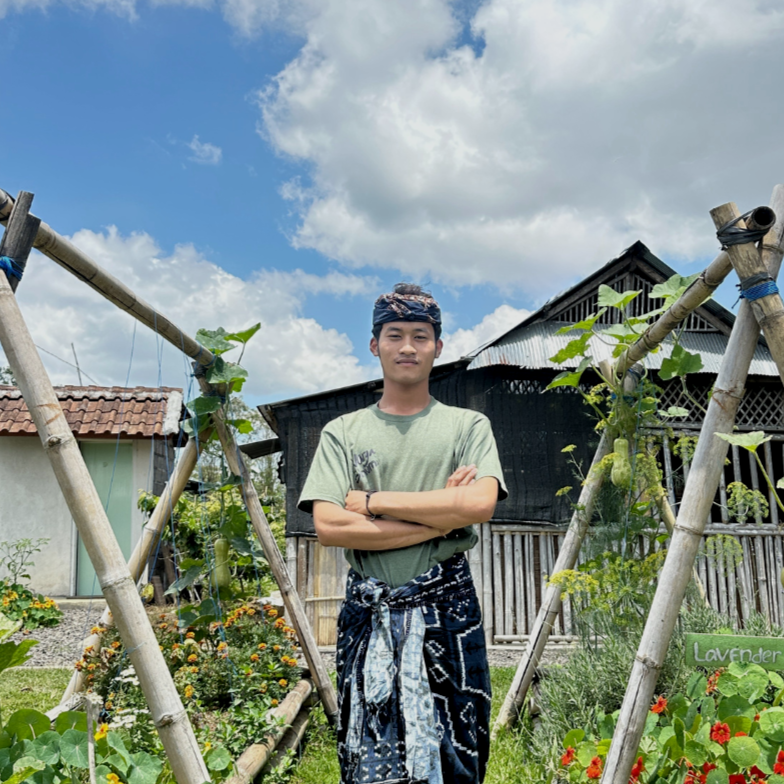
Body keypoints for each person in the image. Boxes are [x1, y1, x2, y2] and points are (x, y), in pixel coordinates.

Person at [298, 283, 508, 784]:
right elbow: (328, 525)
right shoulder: (342, 432)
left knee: (459, 745)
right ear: (375, 345)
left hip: (448, 610)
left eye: (421, 335)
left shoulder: (467, 426)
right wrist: (443, 515)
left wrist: (371, 504)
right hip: (369, 613)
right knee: (365, 742)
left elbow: (478, 503)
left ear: (438, 346)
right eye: (395, 335)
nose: (408, 347)